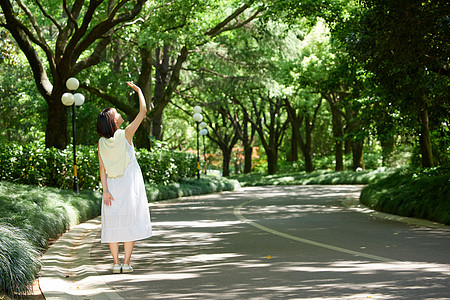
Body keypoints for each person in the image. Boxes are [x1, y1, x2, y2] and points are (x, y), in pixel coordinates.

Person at [96, 82, 152, 274]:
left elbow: (102, 169)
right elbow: (143, 111)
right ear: (113, 121)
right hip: (129, 185)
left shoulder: (101, 142)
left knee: (113, 224)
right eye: (116, 113)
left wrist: (105, 191)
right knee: (129, 222)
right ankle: (126, 264)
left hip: (111, 185)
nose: (119, 114)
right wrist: (139, 90)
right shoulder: (126, 134)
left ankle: (115, 263)